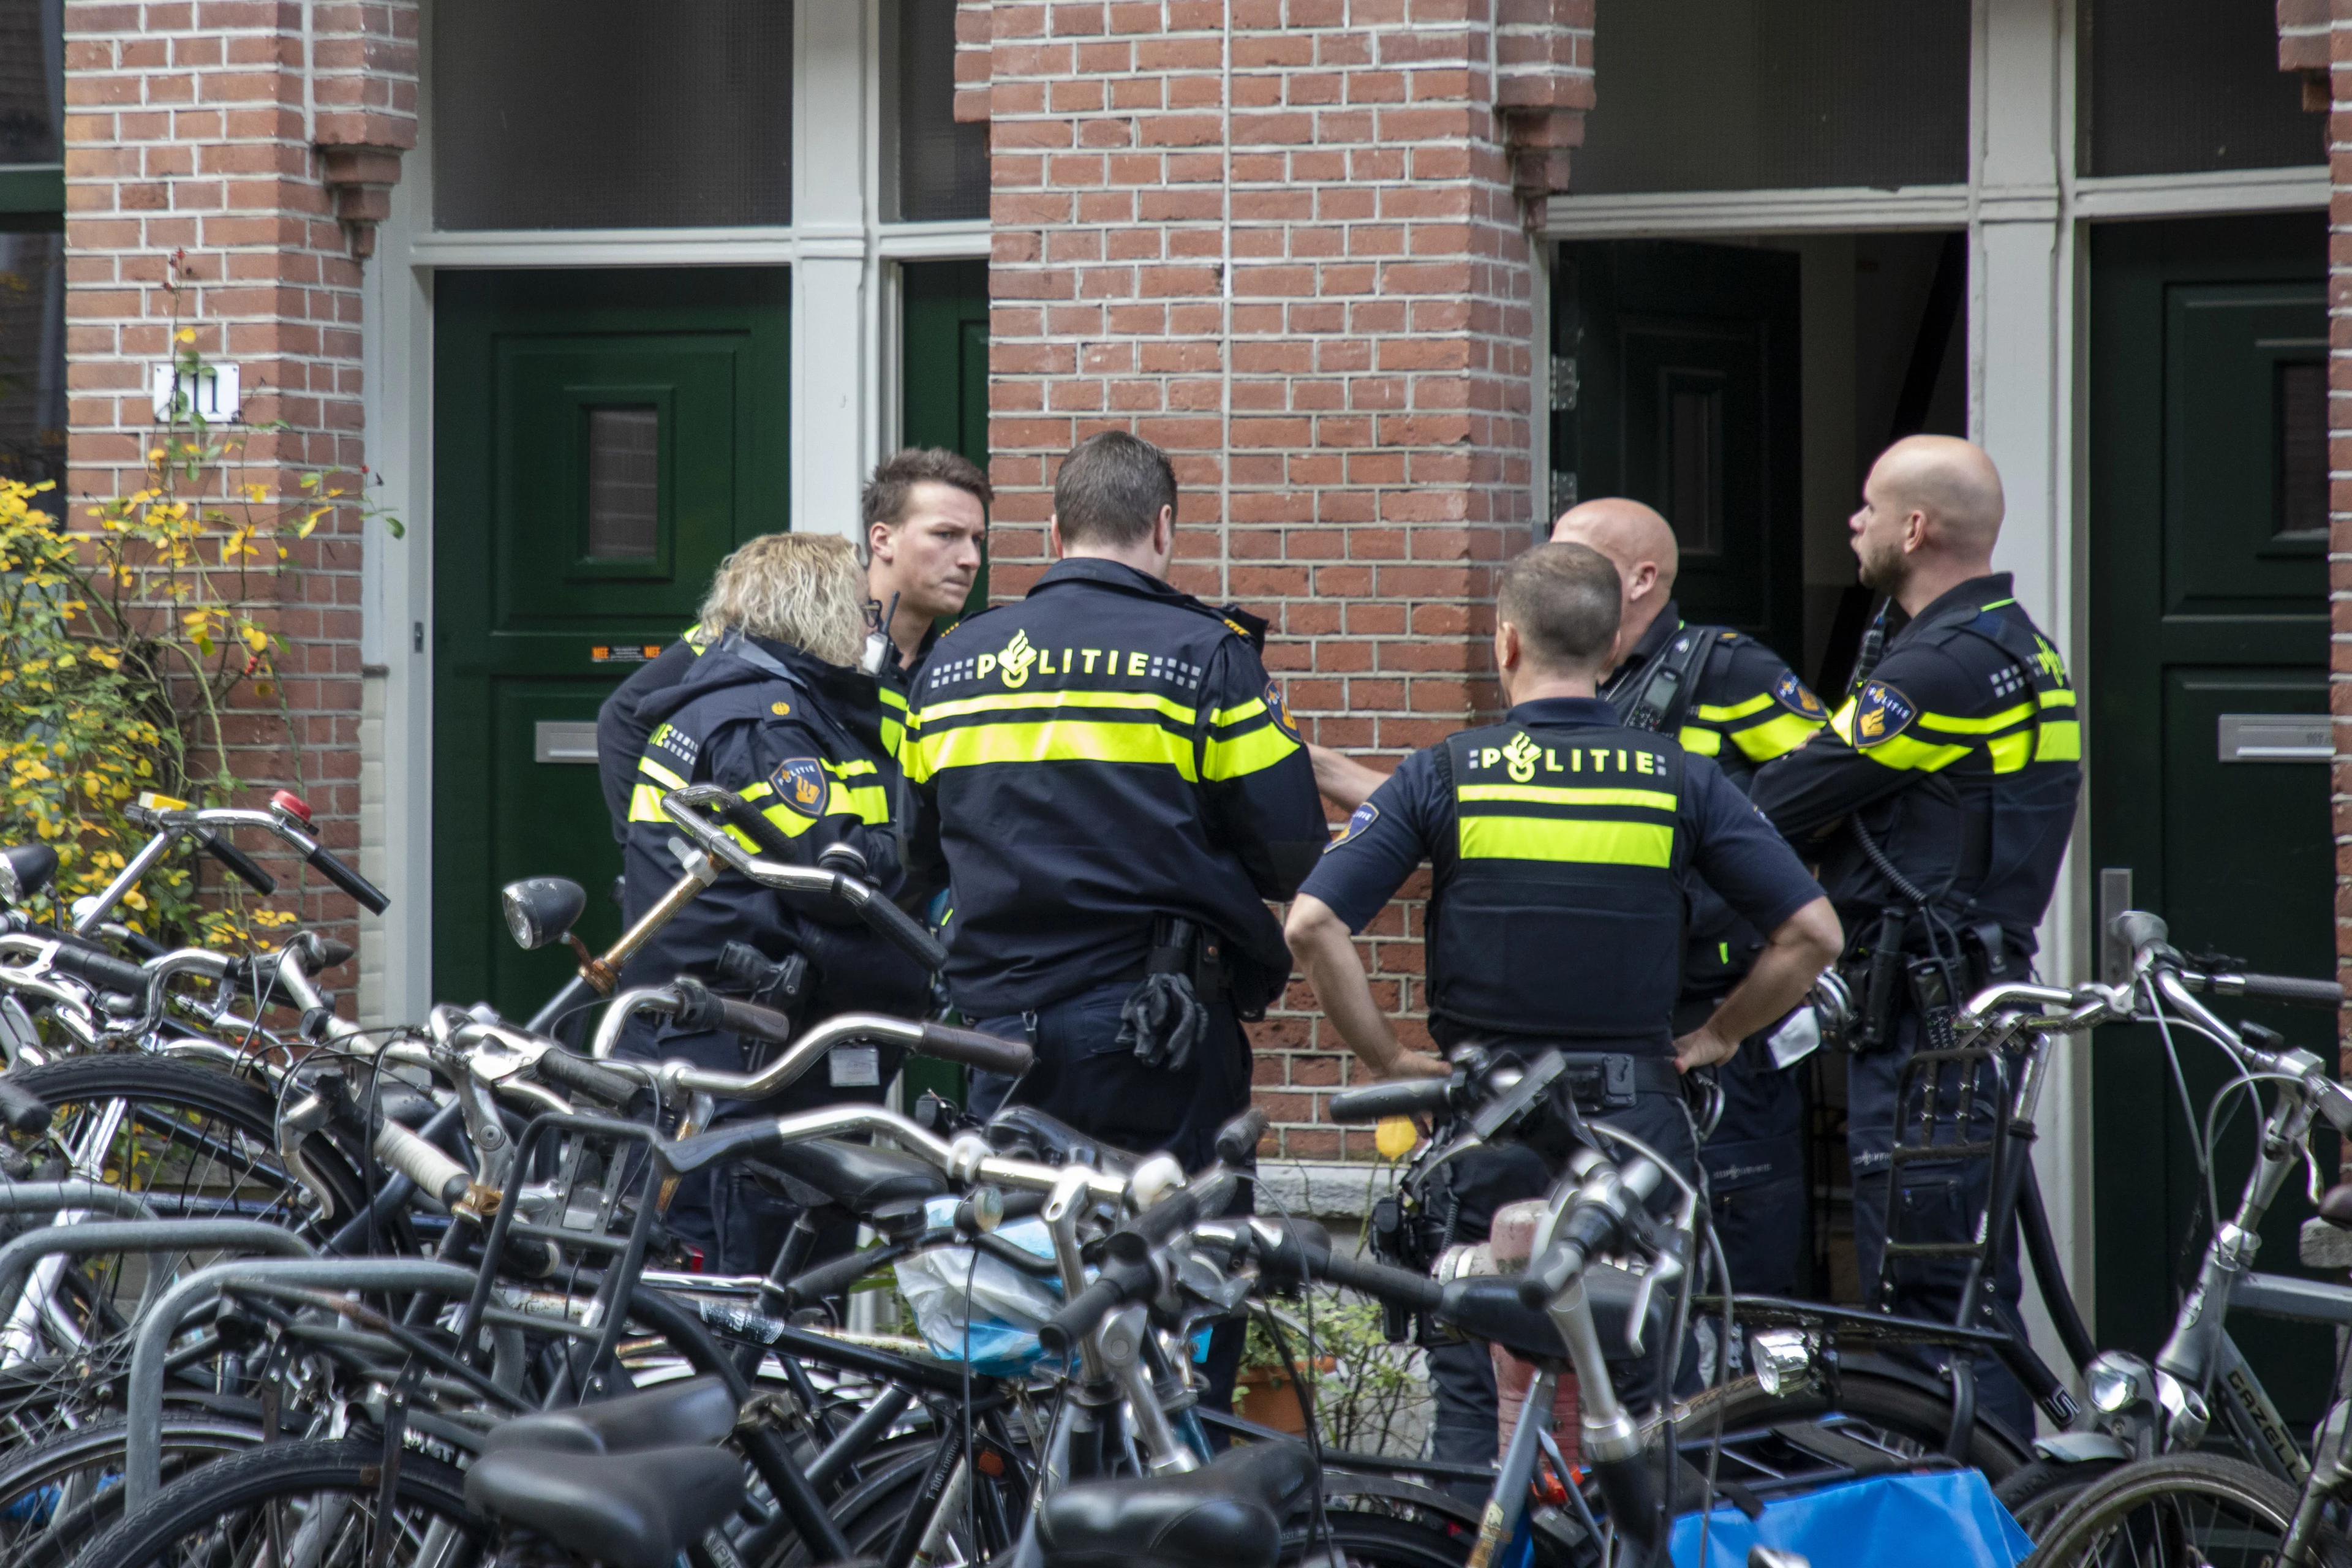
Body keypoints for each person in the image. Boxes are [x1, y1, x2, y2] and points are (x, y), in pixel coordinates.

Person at [1284, 541, 1841, 1477]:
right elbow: (1814, 934)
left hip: (1486, 1126)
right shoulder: (1679, 778)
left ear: (1505, 644)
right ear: (1612, 646)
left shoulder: (1446, 774)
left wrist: (1388, 1061)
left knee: (1475, 1384)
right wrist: (1716, 1037)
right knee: (1637, 1403)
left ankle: (1473, 1528)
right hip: (1636, 1136)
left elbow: (1312, 924)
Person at [1749, 435, 2079, 1438]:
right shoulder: (2013, 644)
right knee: (1973, 1305)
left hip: (1931, 1040)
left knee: (1934, 1317)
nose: (1852, 524)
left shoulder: (1937, 667)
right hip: (1967, 1014)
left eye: (1865, 506)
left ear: (1915, 528)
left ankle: (1981, 1533)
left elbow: (1780, 798)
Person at [902, 430, 1328, 1173]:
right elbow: (1293, 854)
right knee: (1174, 1263)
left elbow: (916, 854)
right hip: (1157, 1035)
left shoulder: (951, 662)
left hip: (996, 1033)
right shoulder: (1207, 655)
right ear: (1163, 526)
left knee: (1020, 1264)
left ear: (1056, 534)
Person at [614, 533, 933, 1272]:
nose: (869, 627)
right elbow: (834, 877)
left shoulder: (730, 701)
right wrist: (907, 851)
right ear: (816, 611)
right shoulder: (765, 724)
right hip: (745, 1050)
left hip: (708, 1033)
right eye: (860, 609)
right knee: (749, 1282)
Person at [1556, 499, 1828, 1297]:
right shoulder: (1576, 683)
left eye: (1575, 552)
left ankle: (1754, 1419)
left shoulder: (1731, 669)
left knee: (1742, 1261)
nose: (1552, 567)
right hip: (1618, 1022)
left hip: (1721, 1021)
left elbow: (1839, 790)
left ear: (1643, 577)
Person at [595, 448, 991, 839]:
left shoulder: (960, 661)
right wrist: (656, 860)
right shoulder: (782, 622)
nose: (971, 558)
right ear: (882, 539)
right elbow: (626, 716)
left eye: (977, 539)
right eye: (946, 535)